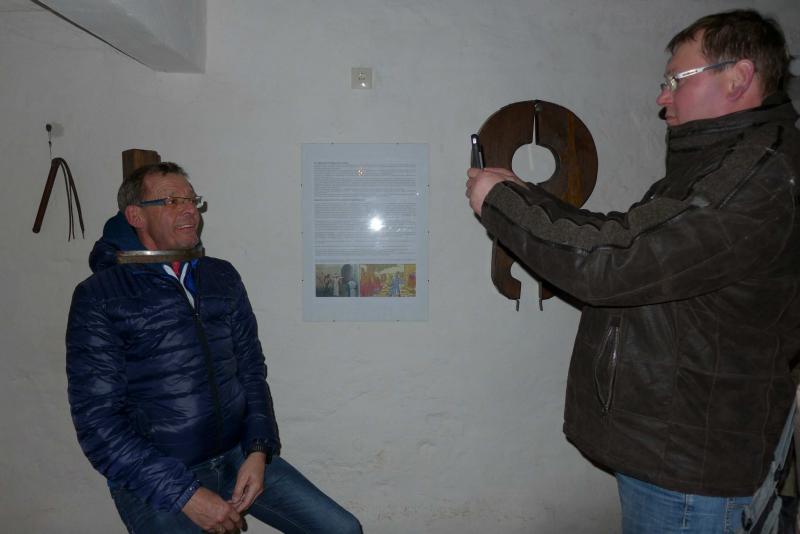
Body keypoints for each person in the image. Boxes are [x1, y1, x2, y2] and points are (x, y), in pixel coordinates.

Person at [465, 9, 799, 534]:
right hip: (675, 453)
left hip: (692, 471)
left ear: (737, 78)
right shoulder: (720, 164)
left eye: (676, 81)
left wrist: (502, 204)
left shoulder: (753, 177)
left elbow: (612, 264)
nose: (663, 97)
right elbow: (624, 236)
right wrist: (525, 196)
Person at [66, 162, 362, 534]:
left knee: (342, 529)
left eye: (192, 200)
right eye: (172, 201)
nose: (190, 210)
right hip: (159, 476)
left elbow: (251, 370)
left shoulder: (220, 275)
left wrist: (257, 449)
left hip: (237, 456)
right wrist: (185, 494)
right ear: (136, 216)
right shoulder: (100, 296)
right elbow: (98, 423)